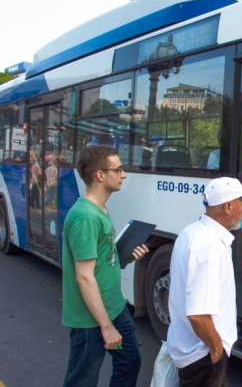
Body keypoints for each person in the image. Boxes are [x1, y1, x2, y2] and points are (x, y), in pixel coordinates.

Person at [61, 145, 149, 387]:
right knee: (82, 380)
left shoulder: (99, 209)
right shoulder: (86, 217)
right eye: (118, 169)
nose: (124, 174)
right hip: (92, 320)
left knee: (130, 363)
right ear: (100, 175)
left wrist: (127, 255)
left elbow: (102, 260)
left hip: (114, 307)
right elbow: (84, 278)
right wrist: (106, 327)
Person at [167, 177, 242, 387]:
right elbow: (198, 314)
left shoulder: (193, 231)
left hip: (194, 351)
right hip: (203, 356)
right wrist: (217, 350)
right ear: (228, 207)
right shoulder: (210, 248)